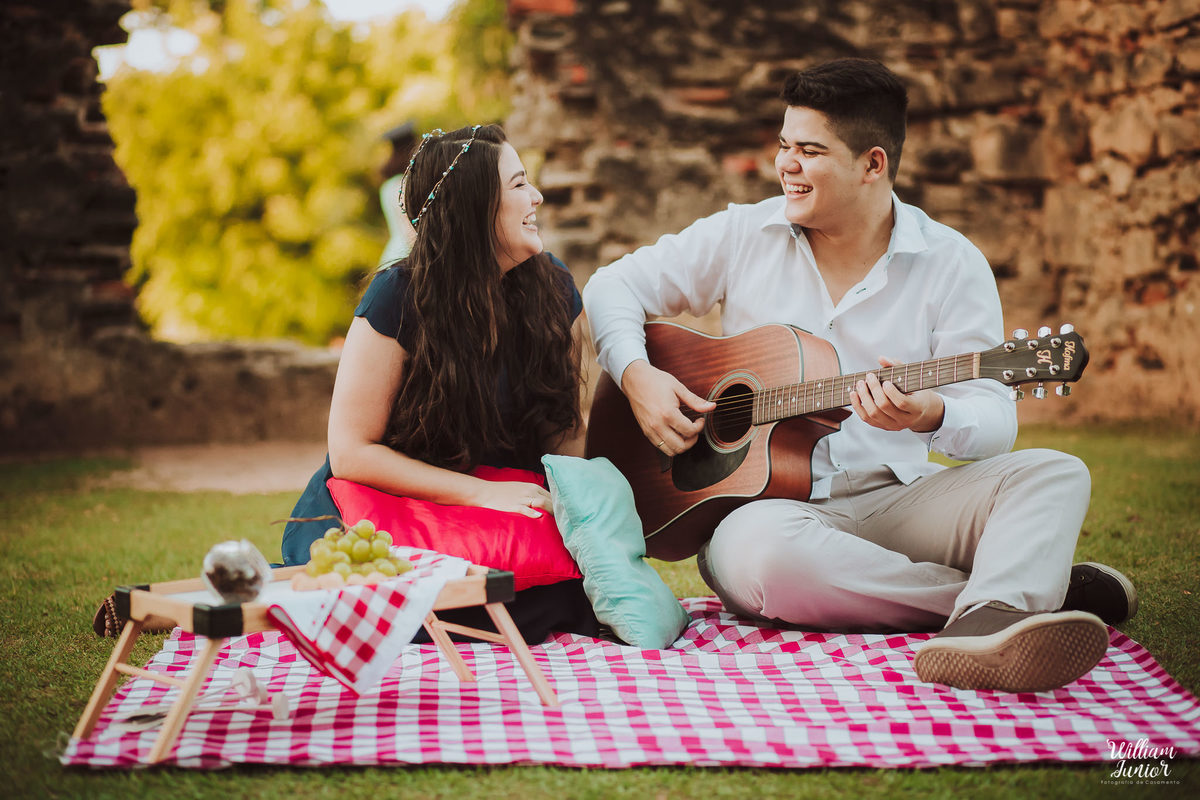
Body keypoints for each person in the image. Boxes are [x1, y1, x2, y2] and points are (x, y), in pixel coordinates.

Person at [582, 59, 1137, 692]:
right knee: (762, 561)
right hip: (768, 515)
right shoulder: (743, 234)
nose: (785, 164)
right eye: (785, 145)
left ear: (873, 164)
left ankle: (999, 610)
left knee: (1055, 473)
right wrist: (636, 377)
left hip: (897, 497)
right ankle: (1004, 607)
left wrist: (933, 414)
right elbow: (612, 285)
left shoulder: (951, 263)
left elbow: (994, 419)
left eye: (810, 151)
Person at [284, 124, 598, 642]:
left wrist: (595, 496)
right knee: (395, 605)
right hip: (391, 503)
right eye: (519, 185)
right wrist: (476, 494)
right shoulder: (397, 296)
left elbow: (561, 435)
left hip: (501, 505)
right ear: (474, 207)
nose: (537, 196)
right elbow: (351, 452)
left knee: (560, 597)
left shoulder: (553, 289)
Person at [377, 120, 418, 266]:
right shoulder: (405, 183)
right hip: (404, 256)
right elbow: (409, 230)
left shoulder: (387, 185)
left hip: (392, 253)